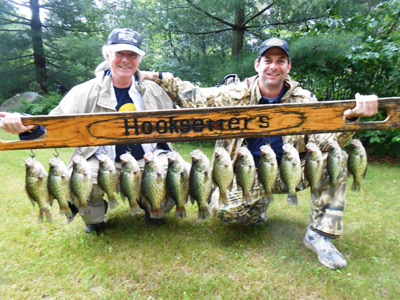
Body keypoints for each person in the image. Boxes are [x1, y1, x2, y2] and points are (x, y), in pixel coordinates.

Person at [140, 37, 378, 269]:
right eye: (267, 60)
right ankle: (257, 204)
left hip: (289, 171)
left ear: (288, 66)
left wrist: (352, 119)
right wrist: (157, 77)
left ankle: (319, 235)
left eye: (280, 60)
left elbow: (325, 142)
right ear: (257, 65)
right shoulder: (234, 95)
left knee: (337, 159)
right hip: (245, 174)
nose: (273, 66)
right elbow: (193, 96)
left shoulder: (303, 100)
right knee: (224, 211)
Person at [0, 28, 176, 233]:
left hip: (148, 159)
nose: (125, 60)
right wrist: (28, 126)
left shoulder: (154, 89)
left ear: (139, 59)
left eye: (132, 54)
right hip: (101, 160)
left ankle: (152, 206)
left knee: (181, 172)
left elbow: (180, 121)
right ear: (107, 54)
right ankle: (94, 217)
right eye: (119, 53)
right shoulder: (83, 91)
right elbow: (54, 124)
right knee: (72, 177)